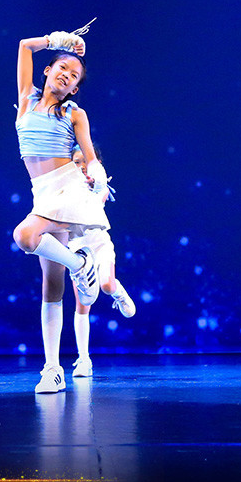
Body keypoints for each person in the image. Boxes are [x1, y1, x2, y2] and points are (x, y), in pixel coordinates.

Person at [12, 23, 111, 394]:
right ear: (48, 70)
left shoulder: (74, 114)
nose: (67, 76)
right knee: (51, 286)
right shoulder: (26, 100)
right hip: (42, 193)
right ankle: (52, 369)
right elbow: (24, 45)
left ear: (74, 89)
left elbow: (89, 155)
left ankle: (80, 265)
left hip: (68, 188)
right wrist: (59, 41)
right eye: (62, 68)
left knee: (25, 236)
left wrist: (97, 177)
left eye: (74, 76)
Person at [68, 144, 137, 378]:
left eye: (84, 161)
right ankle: (83, 359)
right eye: (76, 162)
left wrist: (94, 183)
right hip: (77, 250)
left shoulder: (99, 185)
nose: (80, 166)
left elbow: (99, 195)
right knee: (82, 305)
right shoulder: (63, 187)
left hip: (100, 243)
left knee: (106, 285)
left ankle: (119, 293)